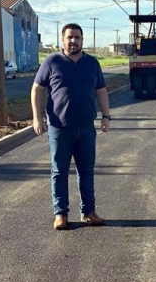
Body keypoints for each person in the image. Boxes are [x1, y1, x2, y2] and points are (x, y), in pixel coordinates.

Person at [31, 23, 111, 230]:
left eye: (77, 37)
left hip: (86, 127)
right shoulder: (51, 62)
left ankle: (89, 211)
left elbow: (101, 90)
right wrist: (37, 118)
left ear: (82, 40)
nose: (73, 41)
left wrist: (106, 116)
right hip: (60, 127)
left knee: (86, 170)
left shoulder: (92, 63)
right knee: (59, 171)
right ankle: (60, 214)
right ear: (63, 40)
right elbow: (37, 90)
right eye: (70, 37)